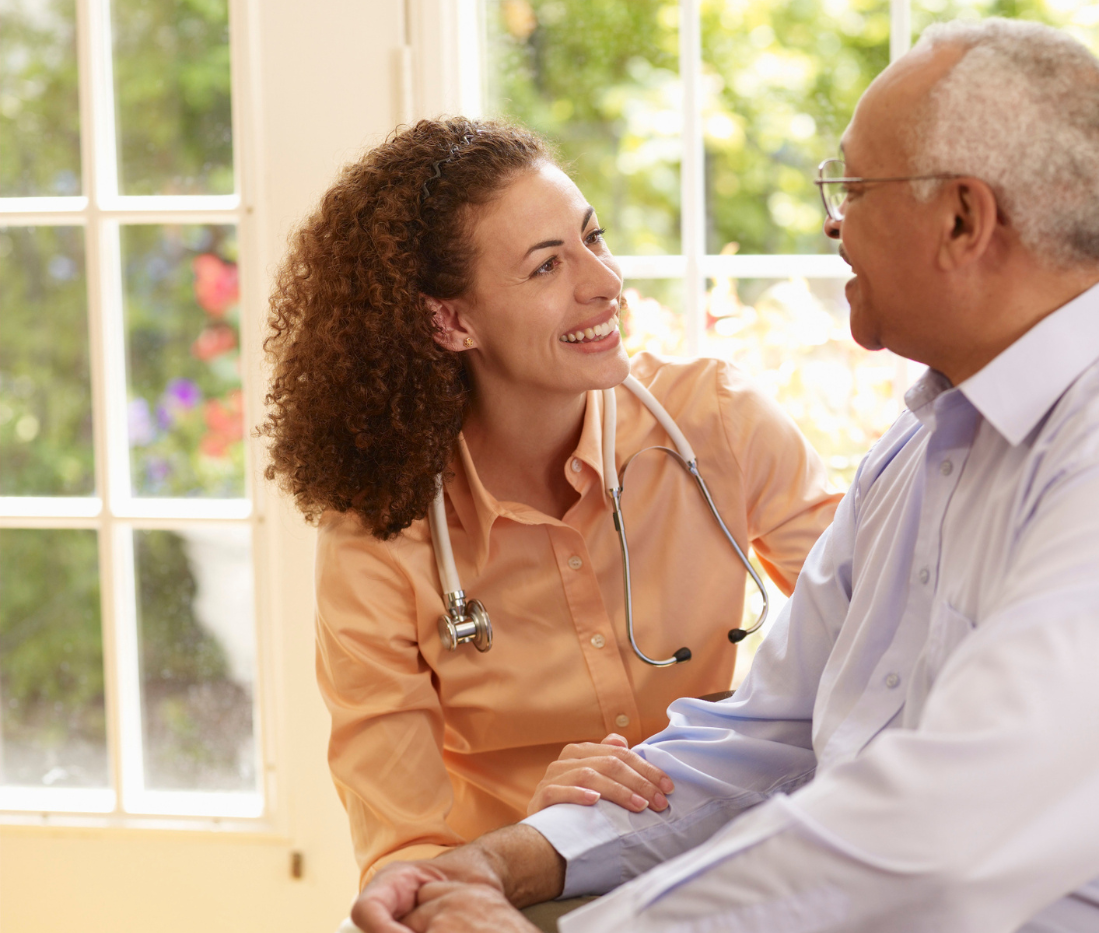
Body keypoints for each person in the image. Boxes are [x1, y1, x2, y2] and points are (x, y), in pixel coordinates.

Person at [349, 19, 1099, 933]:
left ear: (961, 221)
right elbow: (773, 731)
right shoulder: (936, 434)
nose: (829, 225)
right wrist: (508, 856)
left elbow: (942, 835)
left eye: (848, 189)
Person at [259, 118, 840, 887]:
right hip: (519, 892)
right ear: (452, 319)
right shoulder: (380, 537)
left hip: (725, 865)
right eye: (546, 267)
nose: (605, 282)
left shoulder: (718, 421)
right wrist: (536, 835)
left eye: (593, 239)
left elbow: (887, 628)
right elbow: (405, 852)